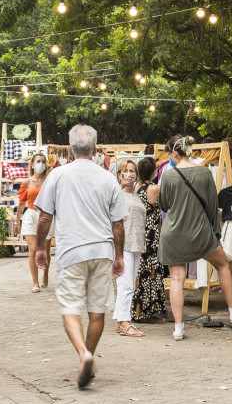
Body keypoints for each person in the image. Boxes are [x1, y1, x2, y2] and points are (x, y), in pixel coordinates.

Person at [33, 124, 126, 389]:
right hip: (102, 250)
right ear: (95, 148)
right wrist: (119, 256)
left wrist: (41, 248)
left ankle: (83, 354)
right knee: (97, 311)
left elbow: (44, 217)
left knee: (70, 307)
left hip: (72, 251)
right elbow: (118, 223)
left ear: (71, 147)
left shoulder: (59, 175)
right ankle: (88, 356)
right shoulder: (108, 177)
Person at [154, 135, 232, 341]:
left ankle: (178, 327)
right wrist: (215, 234)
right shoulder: (204, 173)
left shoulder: (168, 175)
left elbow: (164, 204)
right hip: (200, 232)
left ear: (174, 153)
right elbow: (212, 206)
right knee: (223, 264)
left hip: (173, 234)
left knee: (176, 278)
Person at [113, 158, 146, 337]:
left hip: (136, 245)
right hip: (122, 245)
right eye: (125, 171)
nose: (129, 174)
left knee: (129, 285)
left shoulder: (136, 195)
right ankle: (125, 322)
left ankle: (120, 320)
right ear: (119, 174)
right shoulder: (116, 195)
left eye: (132, 171)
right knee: (125, 285)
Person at [132, 157, 168, 323]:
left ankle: (139, 309)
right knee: (151, 272)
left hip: (139, 232)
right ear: (154, 172)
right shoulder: (155, 188)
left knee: (140, 272)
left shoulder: (136, 187)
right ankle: (147, 312)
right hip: (152, 234)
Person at [18, 152, 50, 292]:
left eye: (43, 161)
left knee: (45, 249)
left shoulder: (49, 181)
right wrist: (16, 221)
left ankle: (46, 274)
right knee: (33, 250)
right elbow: (21, 203)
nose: (40, 164)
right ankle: (35, 282)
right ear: (32, 164)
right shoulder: (26, 182)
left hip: (45, 216)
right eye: (38, 161)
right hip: (30, 215)